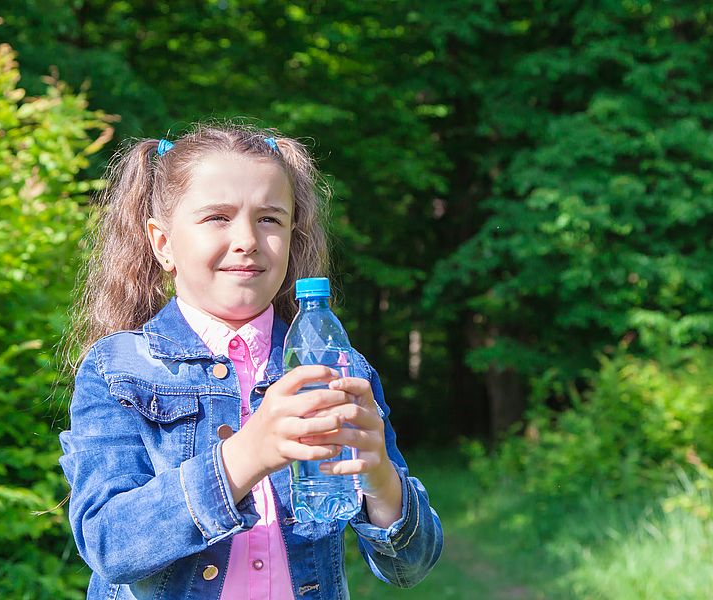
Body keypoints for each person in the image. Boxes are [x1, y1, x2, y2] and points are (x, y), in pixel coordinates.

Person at [58, 123, 443, 600]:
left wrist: (381, 479)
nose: (247, 239)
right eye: (217, 217)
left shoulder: (338, 369)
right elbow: (110, 545)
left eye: (270, 219)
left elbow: (410, 567)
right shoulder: (117, 368)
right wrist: (248, 454)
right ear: (163, 244)